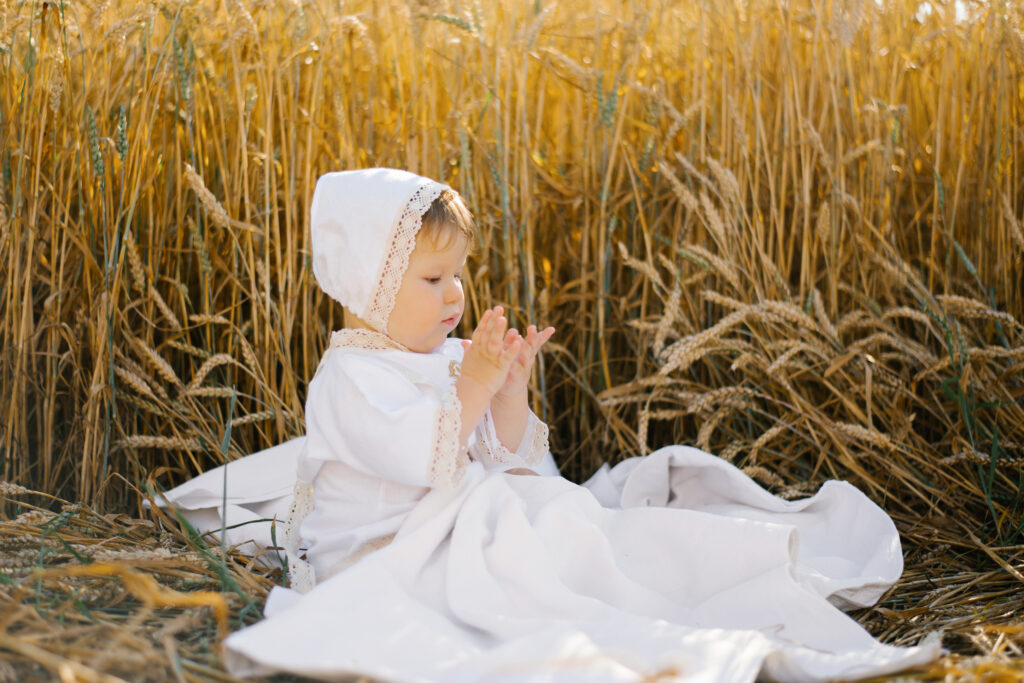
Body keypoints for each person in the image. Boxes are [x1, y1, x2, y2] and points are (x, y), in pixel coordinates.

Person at [157, 168, 940, 682]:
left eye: (458, 271)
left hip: (460, 513)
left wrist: (506, 391)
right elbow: (427, 459)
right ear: (369, 285)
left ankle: (681, 575)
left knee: (563, 512)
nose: (455, 292)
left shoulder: (445, 353)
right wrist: (471, 386)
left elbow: (510, 455)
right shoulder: (349, 380)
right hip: (390, 548)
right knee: (537, 533)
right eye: (433, 278)